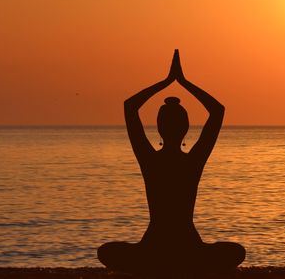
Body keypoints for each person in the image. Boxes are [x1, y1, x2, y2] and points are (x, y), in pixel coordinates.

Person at [97, 50, 245, 274]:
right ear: (185, 128)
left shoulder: (150, 160)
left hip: (154, 247)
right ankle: (184, 264)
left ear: (159, 128)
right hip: (187, 247)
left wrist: (166, 82)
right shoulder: (193, 160)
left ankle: (158, 264)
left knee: (107, 252)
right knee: (234, 252)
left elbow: (130, 107)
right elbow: (217, 111)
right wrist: (182, 82)